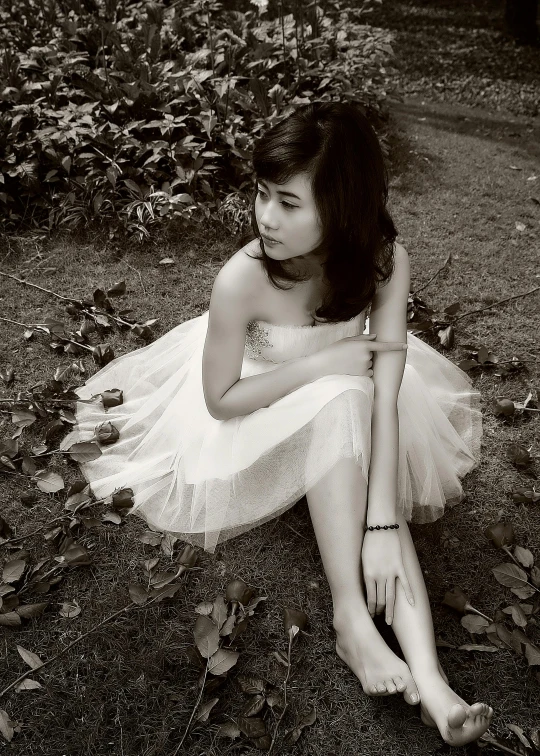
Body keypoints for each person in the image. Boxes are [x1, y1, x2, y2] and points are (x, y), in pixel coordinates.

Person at [69, 101, 492, 746]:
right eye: (262, 195)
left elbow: (386, 393)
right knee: (341, 394)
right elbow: (221, 401)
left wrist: (380, 523)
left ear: (342, 206)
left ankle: (432, 682)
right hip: (247, 413)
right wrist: (323, 361)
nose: (265, 216)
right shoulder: (243, 277)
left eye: (288, 203)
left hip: (351, 407)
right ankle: (352, 615)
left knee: (351, 403)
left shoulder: (382, 261)